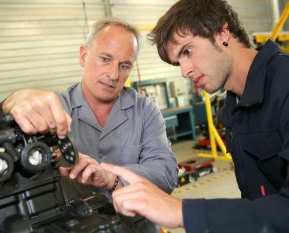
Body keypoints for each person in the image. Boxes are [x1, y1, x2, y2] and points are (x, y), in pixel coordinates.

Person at [100, 0, 289, 232]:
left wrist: (182, 211)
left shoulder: (285, 86)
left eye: (187, 51)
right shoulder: (233, 109)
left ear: (222, 32)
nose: (184, 71)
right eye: (178, 62)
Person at [2, 17, 178, 232]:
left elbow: (166, 173)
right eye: (105, 59)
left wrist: (111, 179)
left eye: (124, 66)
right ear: (84, 56)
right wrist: (14, 100)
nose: (113, 74)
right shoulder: (54, 110)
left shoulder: (145, 111)